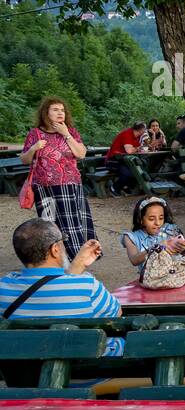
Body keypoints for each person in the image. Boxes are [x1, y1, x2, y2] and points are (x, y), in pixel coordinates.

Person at [1, 220, 123, 356]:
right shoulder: (86, 285)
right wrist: (75, 272)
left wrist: (76, 267)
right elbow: (116, 314)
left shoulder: (3, 287)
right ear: (55, 249)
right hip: (88, 372)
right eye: (62, 241)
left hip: (24, 373)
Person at [20, 97, 95, 253]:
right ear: (45, 113)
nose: (60, 112)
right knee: (50, 225)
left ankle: (77, 258)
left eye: (62, 110)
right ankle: (54, 257)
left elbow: (81, 154)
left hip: (69, 186)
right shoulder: (35, 133)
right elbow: (24, 160)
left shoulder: (71, 131)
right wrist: (33, 148)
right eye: (55, 109)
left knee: (73, 224)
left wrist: (66, 134)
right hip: (44, 188)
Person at [121, 196, 183, 274]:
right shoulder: (131, 237)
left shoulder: (171, 229)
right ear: (140, 219)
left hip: (175, 277)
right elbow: (134, 260)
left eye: (161, 218)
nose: (157, 223)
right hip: (151, 282)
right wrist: (156, 247)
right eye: (151, 219)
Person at [106, 121, 147, 196]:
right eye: (145, 129)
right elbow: (130, 151)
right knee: (129, 172)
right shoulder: (127, 134)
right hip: (113, 160)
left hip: (124, 160)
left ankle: (127, 187)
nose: (145, 131)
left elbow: (140, 149)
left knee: (141, 168)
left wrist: (138, 148)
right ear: (141, 129)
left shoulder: (137, 137)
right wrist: (138, 148)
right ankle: (114, 188)